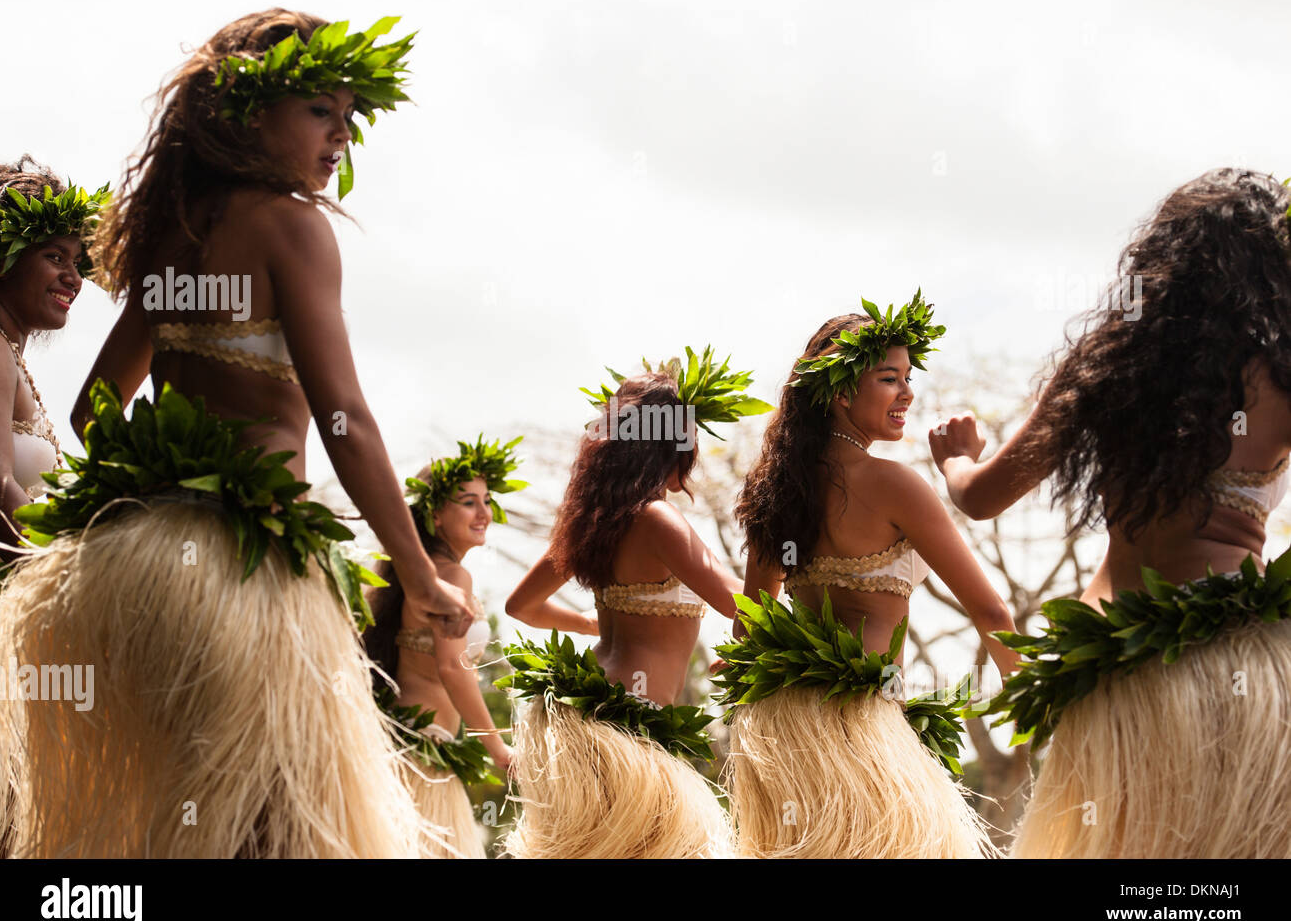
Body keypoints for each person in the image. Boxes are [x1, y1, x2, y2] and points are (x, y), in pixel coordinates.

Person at [0, 10, 472, 858]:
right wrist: (415, 571)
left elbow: (93, 409)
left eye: (350, 116)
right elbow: (345, 419)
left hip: (139, 570)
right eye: (320, 111)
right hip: (250, 575)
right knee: (276, 828)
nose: (341, 137)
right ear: (250, 111)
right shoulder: (292, 225)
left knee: (176, 813)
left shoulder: (175, 230)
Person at [930, 168, 1291, 858]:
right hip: (1233, 660)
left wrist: (956, 459)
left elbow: (980, 497)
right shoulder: (1277, 378)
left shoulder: (1106, 367)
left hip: (1110, 670)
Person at [723, 294, 1018, 858]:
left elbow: (749, 631)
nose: (908, 392)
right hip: (864, 728)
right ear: (839, 391)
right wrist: (1041, 701)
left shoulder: (777, 488)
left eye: (908, 377)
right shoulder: (893, 483)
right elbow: (992, 612)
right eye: (889, 379)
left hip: (786, 732)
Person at [500, 347, 769, 858]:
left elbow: (521, 607)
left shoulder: (591, 523)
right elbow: (745, 605)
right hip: (628, 730)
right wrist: (769, 552)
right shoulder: (657, 520)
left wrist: (594, 626)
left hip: (583, 718)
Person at [0, 158, 108, 857]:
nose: (75, 278)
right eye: (54, 257)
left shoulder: (12, 353)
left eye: (80, 261)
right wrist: (72, 599)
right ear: (2, 257)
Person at [364, 437, 524, 858]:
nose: (485, 513)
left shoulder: (418, 574)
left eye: (486, 501)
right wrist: (499, 749)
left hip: (409, 739)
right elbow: (453, 669)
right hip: (426, 747)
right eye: (469, 502)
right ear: (435, 514)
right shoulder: (451, 576)